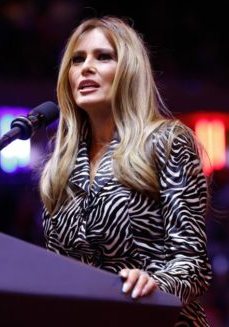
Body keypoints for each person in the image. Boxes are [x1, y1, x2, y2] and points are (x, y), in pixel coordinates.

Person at [39, 17, 211, 326]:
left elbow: (193, 265)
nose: (85, 68)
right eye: (77, 59)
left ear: (129, 70)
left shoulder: (167, 141)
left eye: (103, 56)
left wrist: (156, 283)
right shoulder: (60, 165)